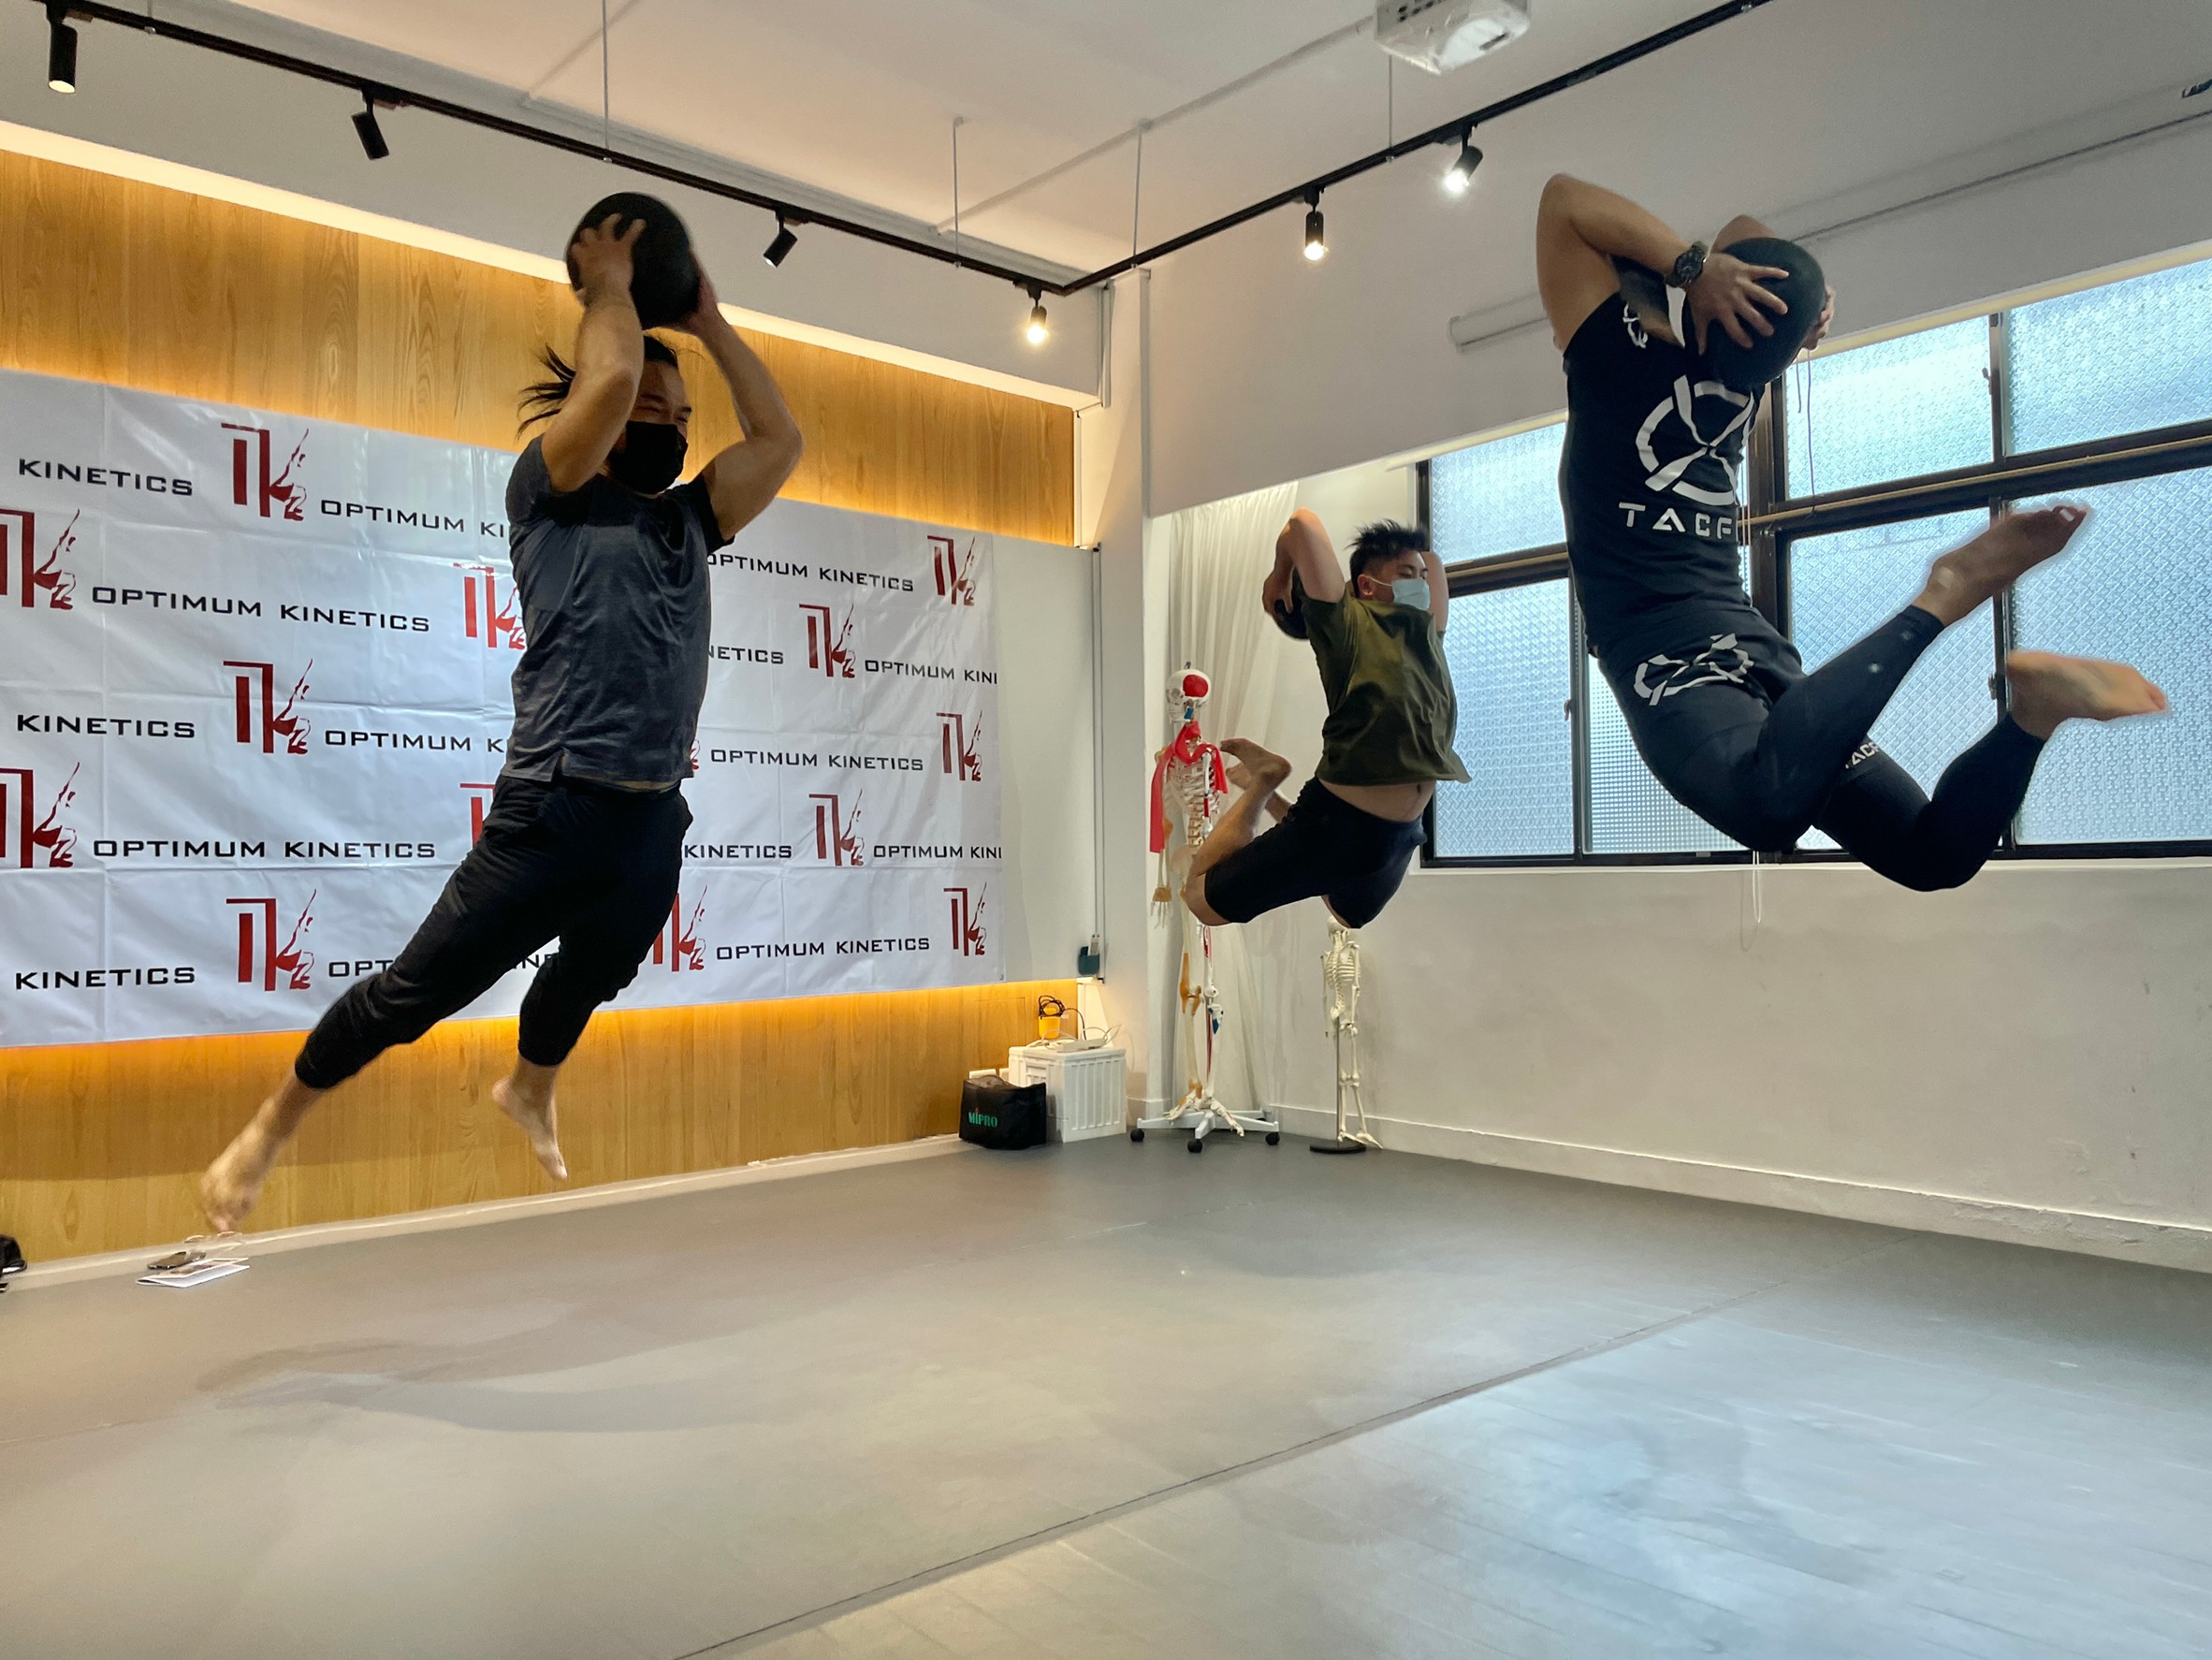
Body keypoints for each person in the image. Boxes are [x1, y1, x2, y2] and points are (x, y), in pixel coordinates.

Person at [200, 213, 804, 1229]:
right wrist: (609, 286)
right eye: (651, 410)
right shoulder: (550, 495)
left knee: (595, 972)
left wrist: (708, 320)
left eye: (682, 415)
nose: (669, 425)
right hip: (555, 807)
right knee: (413, 995)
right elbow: (609, 381)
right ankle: (270, 1125)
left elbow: (780, 440)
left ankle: (528, 1084)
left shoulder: (690, 521)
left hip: (653, 814)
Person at [1535, 174, 2164, 885]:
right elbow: (1745, 227)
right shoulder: (1737, 365)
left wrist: (1708, 270)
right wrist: (1764, 283)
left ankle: (1944, 594)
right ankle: (2034, 716)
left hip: (1663, 650)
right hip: (1747, 643)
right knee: (1933, 856)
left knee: (1766, 809)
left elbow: (1563, 200)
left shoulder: (1606, 347)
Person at [1182, 514, 1466, 930]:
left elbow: (1432, 561)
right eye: (1407, 575)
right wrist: (1280, 575)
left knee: (1349, 914)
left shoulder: (1427, 632)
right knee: (1200, 902)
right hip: (1339, 826)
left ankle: (1274, 794)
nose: (1422, 584)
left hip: (1402, 833)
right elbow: (1303, 524)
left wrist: (1412, 560)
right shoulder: (1345, 625)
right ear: (1367, 586)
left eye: (1421, 577)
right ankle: (1263, 782)